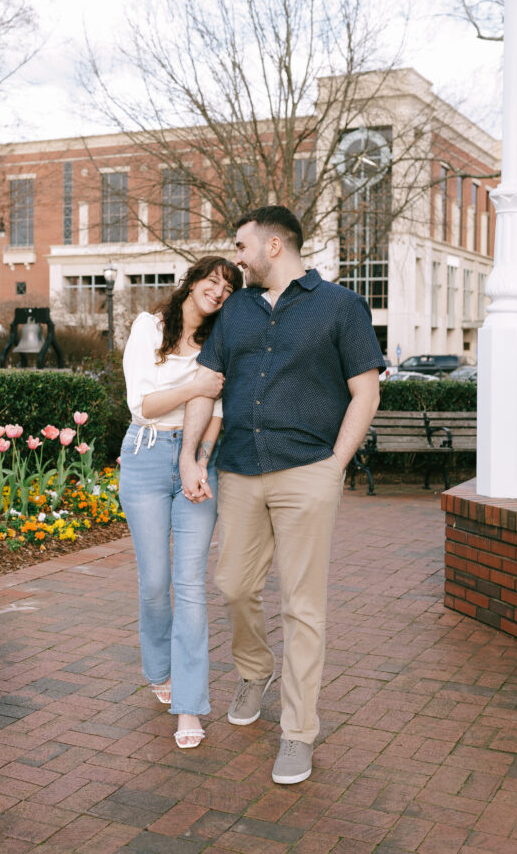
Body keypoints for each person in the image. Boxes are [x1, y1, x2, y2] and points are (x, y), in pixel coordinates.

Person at [180, 206, 384, 783]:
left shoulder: (341, 306)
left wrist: (335, 467)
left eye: (241, 247)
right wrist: (193, 454)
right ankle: (253, 671)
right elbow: (207, 386)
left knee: (302, 605)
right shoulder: (236, 311)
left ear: (274, 245)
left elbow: (364, 393)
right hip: (240, 470)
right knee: (233, 586)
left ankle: (298, 732)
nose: (235, 258)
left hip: (307, 471)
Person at [119, 255, 243, 749]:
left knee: (189, 585)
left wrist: (197, 460)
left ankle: (188, 705)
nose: (218, 291)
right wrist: (191, 385)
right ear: (191, 283)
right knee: (154, 583)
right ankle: (158, 667)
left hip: (196, 464)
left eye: (228, 288)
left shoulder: (219, 344)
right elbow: (142, 405)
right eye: (211, 281)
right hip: (146, 455)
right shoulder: (149, 327)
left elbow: (216, 411)